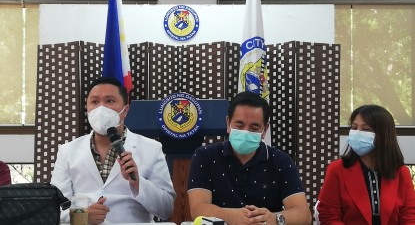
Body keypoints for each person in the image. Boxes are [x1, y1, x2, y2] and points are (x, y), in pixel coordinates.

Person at [51, 77, 176, 224]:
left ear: (125, 110)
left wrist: (138, 183)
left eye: (109, 101)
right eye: (95, 102)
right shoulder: (67, 151)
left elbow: (166, 209)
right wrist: (81, 216)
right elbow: (53, 209)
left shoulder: (151, 148)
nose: (101, 108)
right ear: (87, 109)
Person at [187, 91, 312, 225]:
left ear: (265, 130)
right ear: (228, 123)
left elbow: (303, 215)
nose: (246, 131)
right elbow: (197, 209)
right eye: (239, 125)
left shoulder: (281, 161)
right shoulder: (205, 156)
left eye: (254, 127)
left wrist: (274, 218)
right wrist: (232, 216)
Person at [317, 104, 415, 224]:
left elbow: (409, 217)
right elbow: (329, 216)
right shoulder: (337, 169)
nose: (357, 133)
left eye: (366, 129)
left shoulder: (401, 172)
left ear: (383, 134)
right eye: (354, 127)